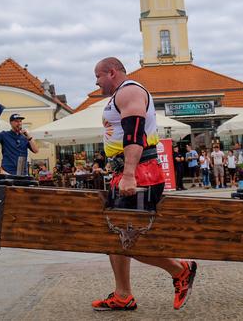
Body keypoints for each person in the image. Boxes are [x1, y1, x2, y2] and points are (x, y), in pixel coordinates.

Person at [91, 57, 196, 312]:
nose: (96, 83)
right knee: (113, 235)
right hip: (130, 171)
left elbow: (134, 133)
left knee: (127, 239)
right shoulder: (121, 93)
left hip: (140, 173)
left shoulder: (129, 91)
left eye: (98, 77)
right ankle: (123, 294)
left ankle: (180, 269)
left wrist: (129, 174)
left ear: (111, 72)